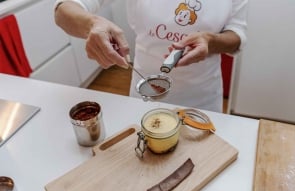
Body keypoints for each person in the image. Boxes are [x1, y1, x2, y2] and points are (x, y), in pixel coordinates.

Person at [54, 0, 248, 112]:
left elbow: (237, 34)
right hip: (145, 95)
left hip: (203, 97)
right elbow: (63, 10)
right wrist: (91, 24)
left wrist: (210, 41)